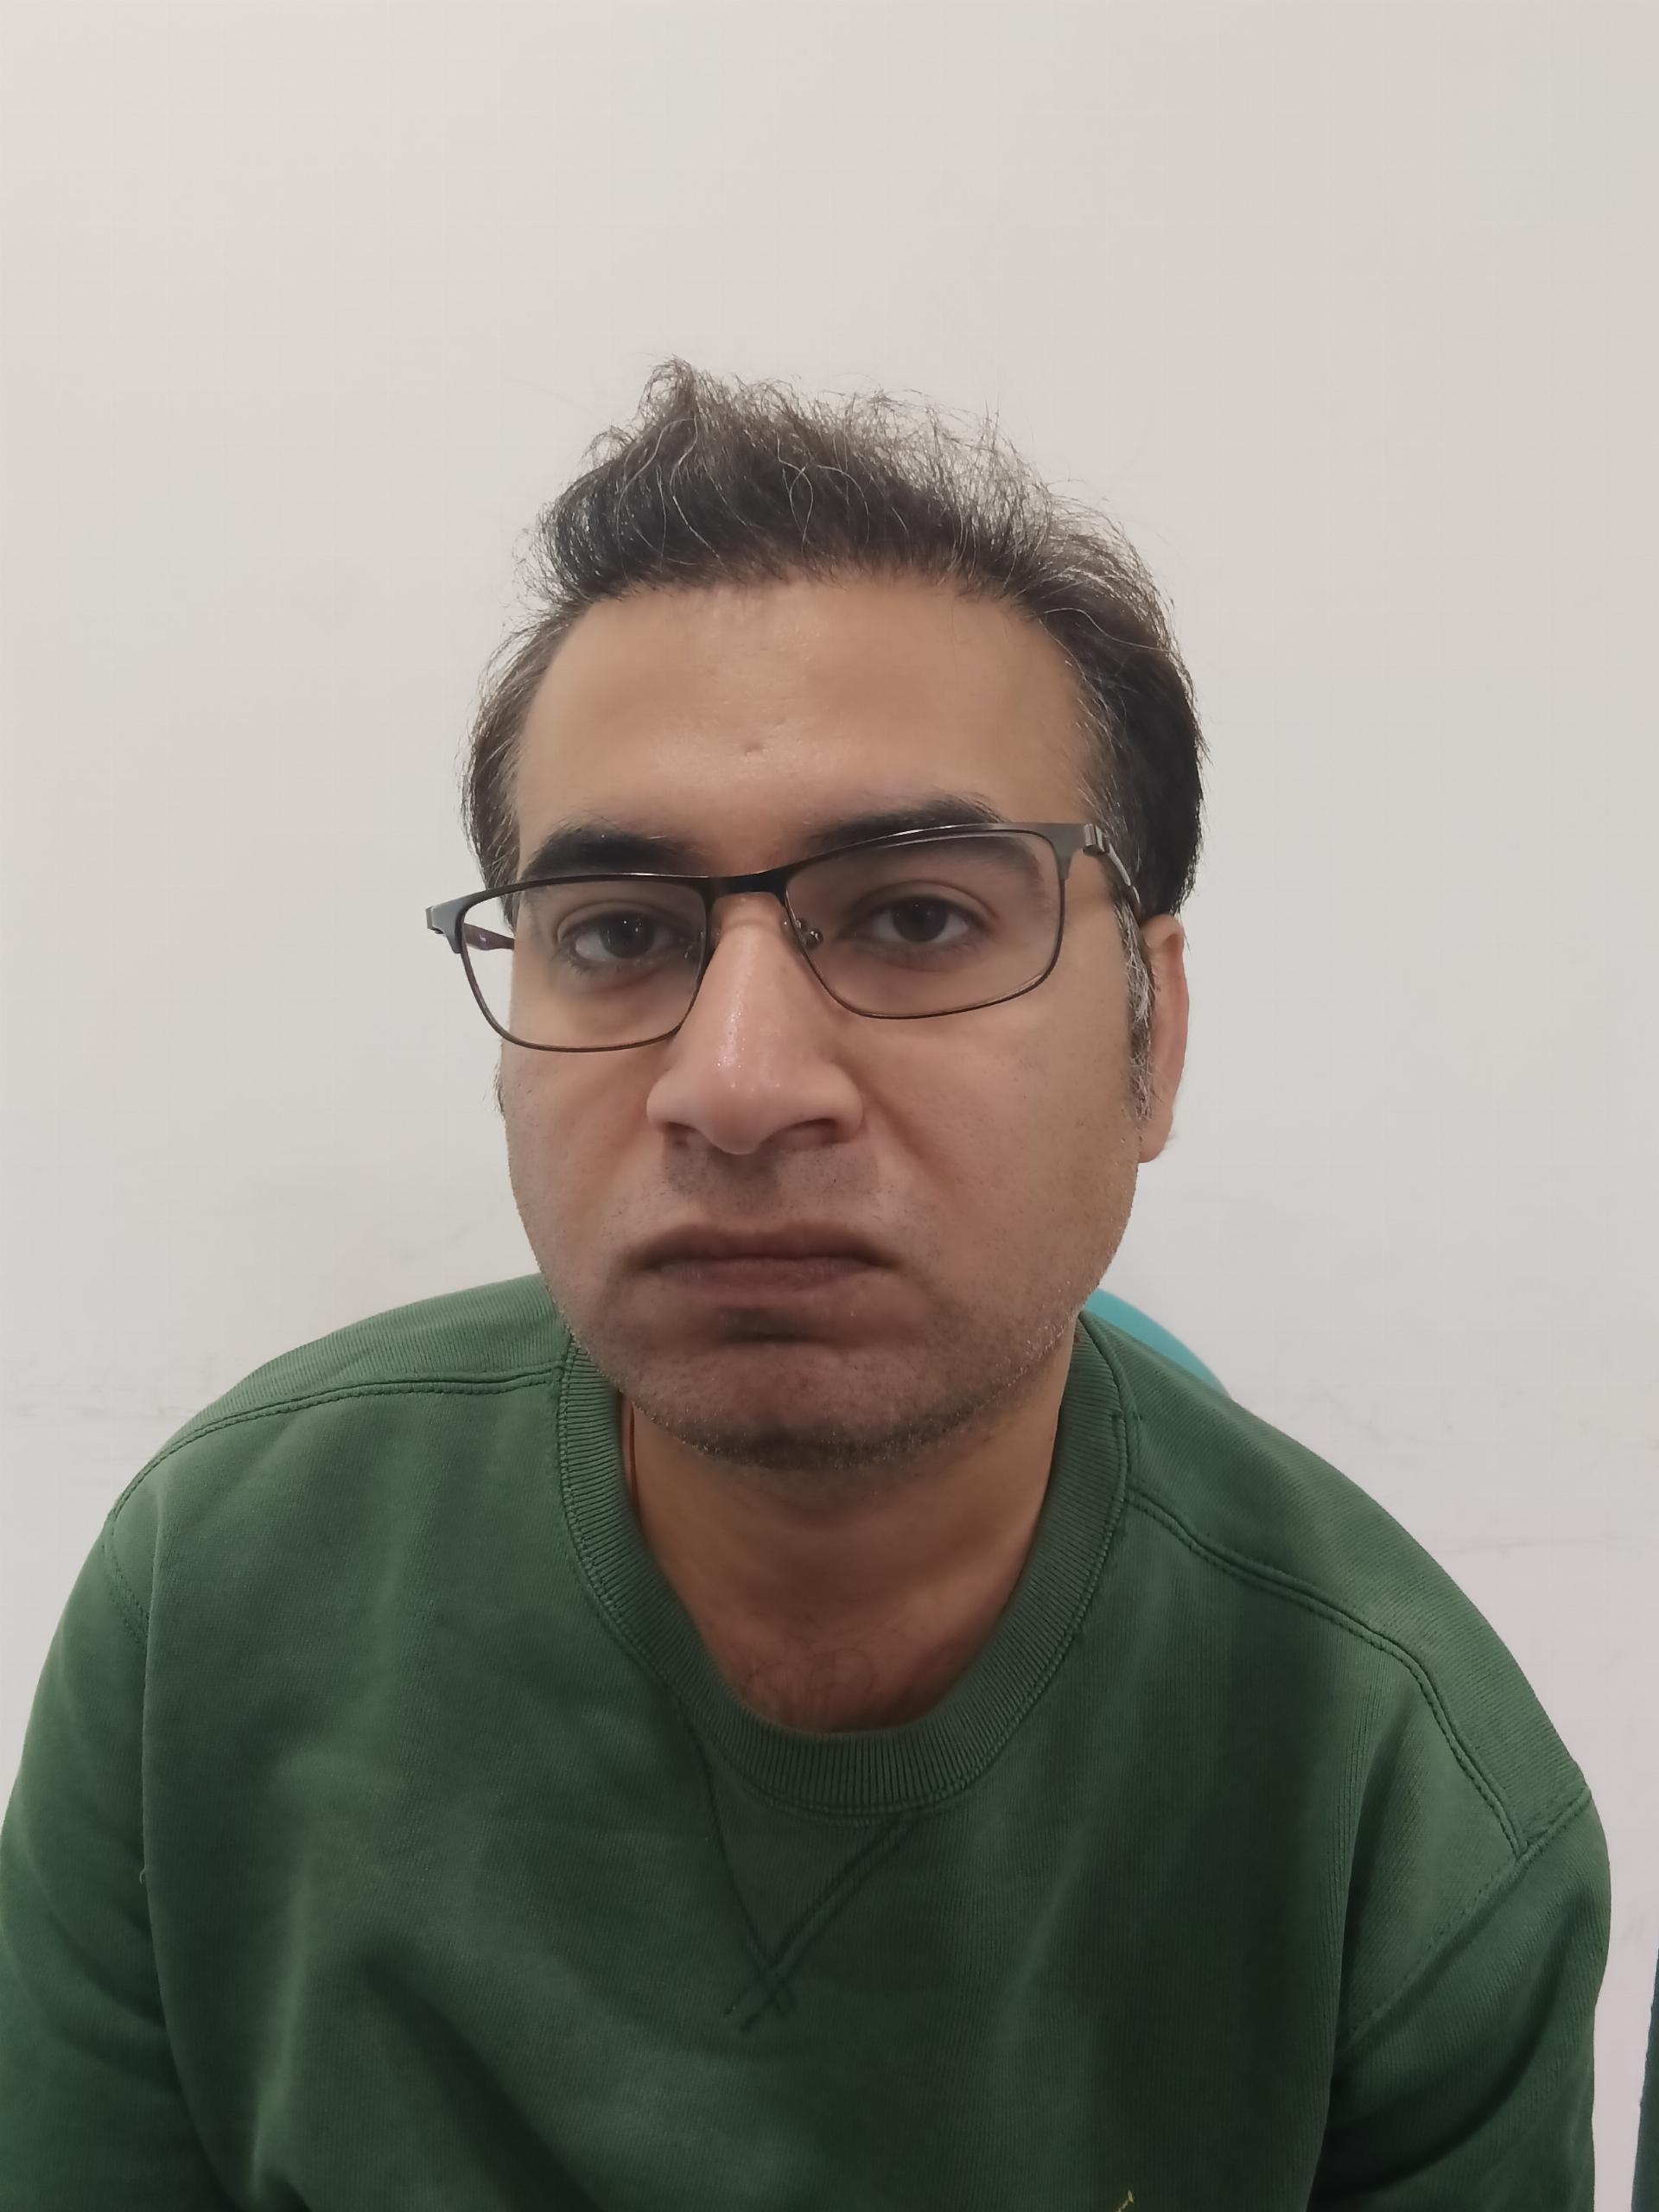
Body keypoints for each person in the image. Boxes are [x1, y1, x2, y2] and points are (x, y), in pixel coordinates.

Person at [0, 361, 1610, 2209]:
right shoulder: (215, 1601)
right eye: (620, 932)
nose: (740, 1083)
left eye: (919, 915)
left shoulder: (1407, 1811)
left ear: (1150, 1039)